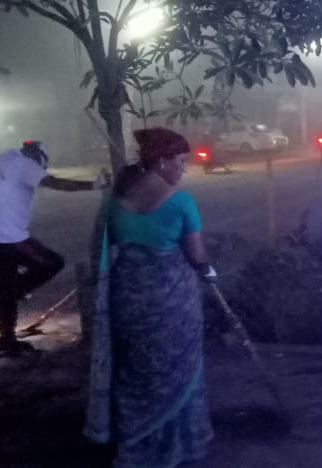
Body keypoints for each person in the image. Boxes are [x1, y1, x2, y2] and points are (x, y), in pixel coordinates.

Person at [84, 128, 215, 467]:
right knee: (177, 368)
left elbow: (105, 247)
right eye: (180, 161)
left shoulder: (114, 202)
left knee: (135, 370)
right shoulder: (181, 202)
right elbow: (196, 254)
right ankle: (176, 447)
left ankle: (135, 444)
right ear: (161, 162)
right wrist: (208, 271)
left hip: (127, 300)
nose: (184, 168)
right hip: (172, 304)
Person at [0, 140, 108, 354]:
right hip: (8, 236)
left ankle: (7, 340)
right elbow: (56, 183)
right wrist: (95, 184)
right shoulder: (26, 164)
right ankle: (17, 292)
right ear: (39, 158)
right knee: (52, 263)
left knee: (4, 285)